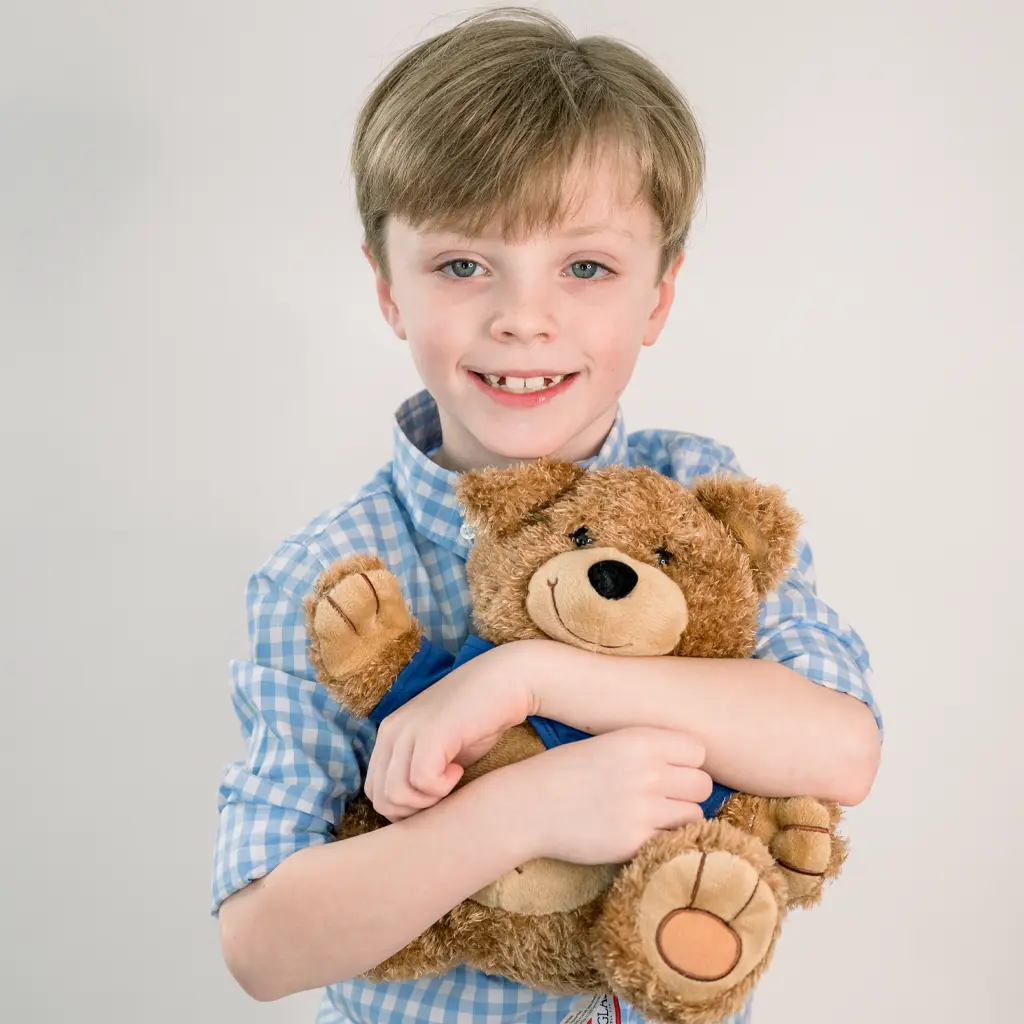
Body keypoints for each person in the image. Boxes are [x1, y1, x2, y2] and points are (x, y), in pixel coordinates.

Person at [211, 8, 883, 1023]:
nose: (524, 317)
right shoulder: (333, 575)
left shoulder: (706, 500)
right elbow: (261, 944)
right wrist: (521, 810)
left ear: (657, 296)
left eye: (586, 267)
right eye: (462, 264)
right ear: (388, 289)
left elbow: (839, 750)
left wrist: (521, 674)